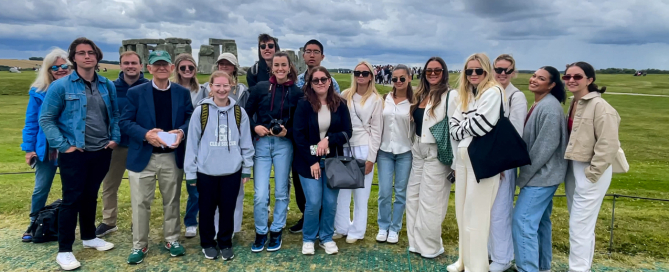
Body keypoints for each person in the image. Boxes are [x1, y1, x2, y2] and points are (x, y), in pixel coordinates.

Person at [39, 38, 119, 271]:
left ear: (97, 56)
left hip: (101, 149)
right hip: (74, 151)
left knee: (90, 195)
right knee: (71, 199)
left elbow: (114, 115)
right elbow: (46, 119)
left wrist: (114, 139)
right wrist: (64, 146)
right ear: (74, 57)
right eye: (82, 53)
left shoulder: (107, 85)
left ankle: (89, 236)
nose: (87, 57)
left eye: (91, 53)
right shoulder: (61, 86)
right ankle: (65, 250)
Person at [120, 50, 194, 264]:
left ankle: (172, 239)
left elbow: (191, 117)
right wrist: (146, 134)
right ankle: (139, 245)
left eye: (165, 64)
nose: (161, 68)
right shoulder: (136, 92)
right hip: (144, 155)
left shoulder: (181, 92)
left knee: (171, 201)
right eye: (156, 65)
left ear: (171, 68)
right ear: (149, 68)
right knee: (141, 203)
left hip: (171, 156)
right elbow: (125, 122)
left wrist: (181, 131)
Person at [184, 71, 254, 260]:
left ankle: (225, 242)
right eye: (218, 85)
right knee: (206, 209)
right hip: (206, 171)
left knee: (227, 208)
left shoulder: (239, 112)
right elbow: (192, 143)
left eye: (226, 85)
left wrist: (246, 167)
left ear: (231, 87)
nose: (222, 89)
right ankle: (207, 243)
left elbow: (246, 142)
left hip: (231, 171)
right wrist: (190, 172)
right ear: (211, 87)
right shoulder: (201, 111)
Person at [447, 53, 506, 272]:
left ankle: (477, 266)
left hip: (482, 159)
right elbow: (452, 122)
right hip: (463, 158)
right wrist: (462, 127)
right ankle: (464, 260)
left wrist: (462, 127)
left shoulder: (493, 92)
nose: (473, 75)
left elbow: (482, 125)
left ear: (486, 72)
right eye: (469, 71)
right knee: (462, 212)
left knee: (477, 215)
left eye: (478, 71)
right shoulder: (467, 95)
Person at [563, 61, 620, 272]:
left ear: (590, 80)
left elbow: (608, 144)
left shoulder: (601, 107)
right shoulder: (574, 102)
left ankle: (578, 269)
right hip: (574, 166)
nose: (571, 80)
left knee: (579, 224)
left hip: (590, 169)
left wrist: (592, 173)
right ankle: (582, 267)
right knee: (580, 223)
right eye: (567, 76)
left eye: (577, 77)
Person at [245, 51, 303, 252]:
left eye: (283, 65)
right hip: (262, 142)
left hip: (283, 145)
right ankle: (261, 231)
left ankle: (276, 229)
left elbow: (299, 122)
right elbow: (246, 114)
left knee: (281, 190)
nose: (280, 69)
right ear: (271, 67)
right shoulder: (260, 88)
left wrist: (287, 132)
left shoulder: (296, 92)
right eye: (276, 65)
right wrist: (255, 127)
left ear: (289, 67)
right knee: (260, 193)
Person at [513, 66, 568, 272]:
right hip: (544, 175)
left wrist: (524, 177)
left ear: (552, 85)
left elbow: (544, 148)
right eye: (534, 75)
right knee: (541, 222)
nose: (534, 80)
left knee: (522, 222)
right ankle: (542, 266)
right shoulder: (540, 104)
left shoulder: (550, 108)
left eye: (541, 78)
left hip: (542, 177)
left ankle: (527, 268)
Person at [293, 66, 352, 255]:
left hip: (332, 160)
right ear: (309, 84)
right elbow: (298, 135)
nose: (320, 83)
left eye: (323, 79)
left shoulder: (340, 104)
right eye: (315, 80)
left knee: (330, 202)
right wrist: (311, 161)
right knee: (313, 202)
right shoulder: (303, 104)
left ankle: (326, 237)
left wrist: (328, 139)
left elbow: (347, 132)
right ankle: (309, 238)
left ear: (329, 81)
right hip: (308, 162)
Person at [289, 39, 341, 233]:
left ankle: (323, 222)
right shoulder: (296, 81)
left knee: (324, 189)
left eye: (316, 51)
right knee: (301, 183)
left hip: (325, 143)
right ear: (303, 55)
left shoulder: (331, 81)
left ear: (322, 56)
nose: (312, 55)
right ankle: (307, 217)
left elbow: (335, 111)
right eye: (308, 51)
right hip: (301, 138)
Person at [96, 51, 149, 238]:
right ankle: (109, 221)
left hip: (140, 144)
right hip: (116, 144)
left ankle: (138, 222)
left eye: (134, 63)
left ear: (141, 66)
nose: (130, 66)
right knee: (110, 184)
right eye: (126, 63)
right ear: (121, 65)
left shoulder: (148, 87)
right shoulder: (110, 87)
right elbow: (105, 114)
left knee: (140, 187)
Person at [21, 48, 72, 242]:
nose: (60, 69)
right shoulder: (38, 92)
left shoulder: (76, 88)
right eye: (55, 67)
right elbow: (31, 122)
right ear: (48, 69)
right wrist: (29, 148)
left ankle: (65, 225)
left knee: (71, 189)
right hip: (47, 148)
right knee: (41, 188)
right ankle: (34, 223)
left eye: (64, 66)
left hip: (70, 146)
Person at [405, 57, 454, 258]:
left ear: (444, 72)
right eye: (429, 71)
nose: (433, 74)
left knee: (431, 201)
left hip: (436, 152)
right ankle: (415, 243)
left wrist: (456, 163)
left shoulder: (451, 96)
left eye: (437, 70)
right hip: (418, 150)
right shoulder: (420, 94)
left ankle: (431, 247)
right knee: (413, 197)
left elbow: (455, 127)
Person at [334, 61, 383, 244]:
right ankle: (341, 226)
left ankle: (357, 230)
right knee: (343, 192)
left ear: (371, 76)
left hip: (364, 147)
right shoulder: (345, 95)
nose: (360, 76)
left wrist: (371, 158)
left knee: (361, 193)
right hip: (346, 146)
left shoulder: (376, 100)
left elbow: (377, 131)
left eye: (364, 73)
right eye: (357, 73)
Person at [487, 54, 528, 272]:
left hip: (503, 163)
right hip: (485, 161)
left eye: (507, 70)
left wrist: (502, 163)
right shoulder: (488, 91)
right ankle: (488, 252)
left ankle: (503, 258)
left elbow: (515, 134)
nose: (502, 74)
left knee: (501, 211)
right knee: (486, 209)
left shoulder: (516, 97)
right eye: (499, 69)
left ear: (513, 73)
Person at [375, 64, 414, 244]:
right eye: (395, 79)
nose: (398, 82)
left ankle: (395, 227)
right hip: (385, 151)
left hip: (405, 152)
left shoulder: (415, 102)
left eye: (402, 78)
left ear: (409, 78)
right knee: (383, 191)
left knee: (400, 193)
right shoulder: (385, 98)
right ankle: (383, 225)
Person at [170, 53, 206, 239]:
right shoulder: (170, 88)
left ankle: (191, 221)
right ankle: (172, 224)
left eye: (190, 68)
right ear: (176, 69)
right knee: (172, 187)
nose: (187, 71)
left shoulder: (202, 90)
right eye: (183, 68)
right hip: (174, 141)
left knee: (194, 187)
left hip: (197, 142)